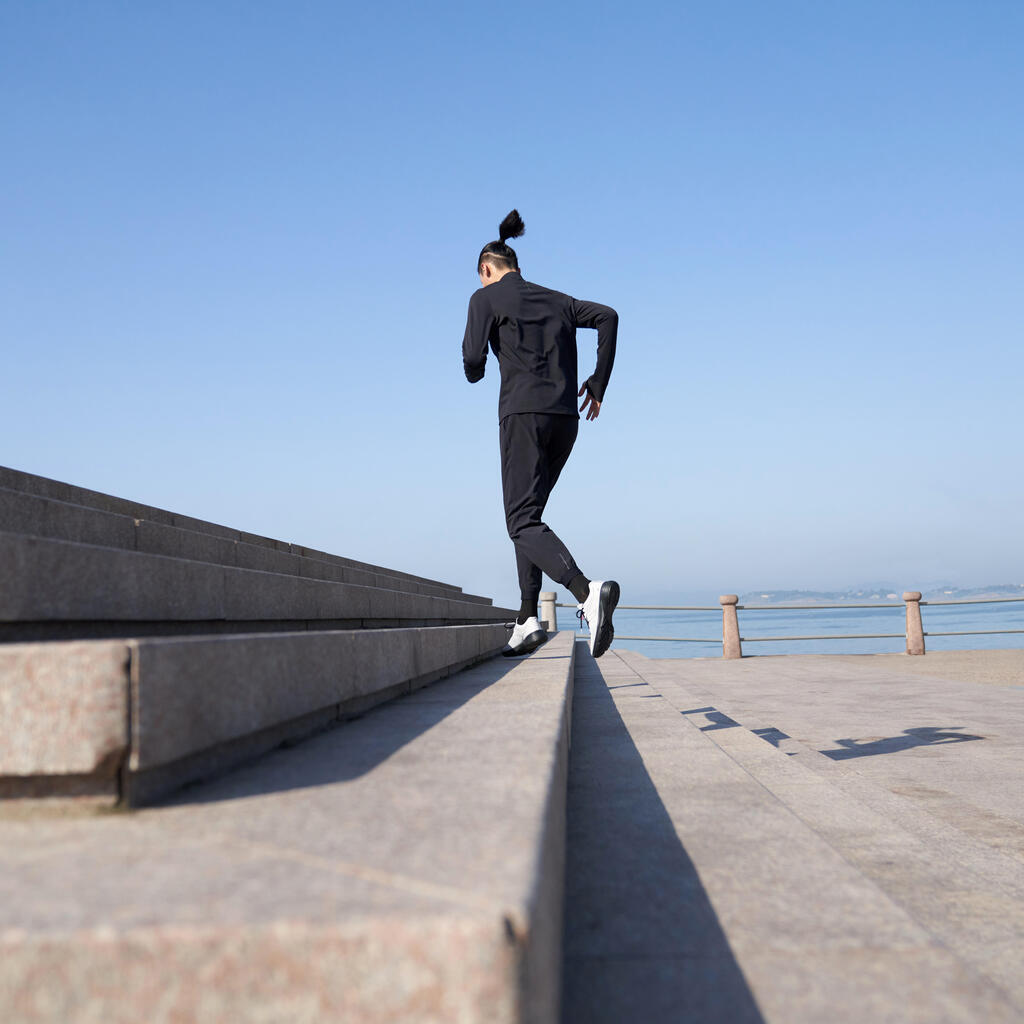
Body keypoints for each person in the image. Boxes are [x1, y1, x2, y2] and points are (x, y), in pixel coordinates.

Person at [462, 209, 620, 658]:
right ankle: (527, 618)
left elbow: (473, 366)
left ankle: (587, 592)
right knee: (529, 518)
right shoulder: (557, 299)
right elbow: (608, 316)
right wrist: (598, 381)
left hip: (522, 416)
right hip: (565, 421)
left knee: (520, 520)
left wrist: (480, 355)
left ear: (486, 269)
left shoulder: (484, 298)